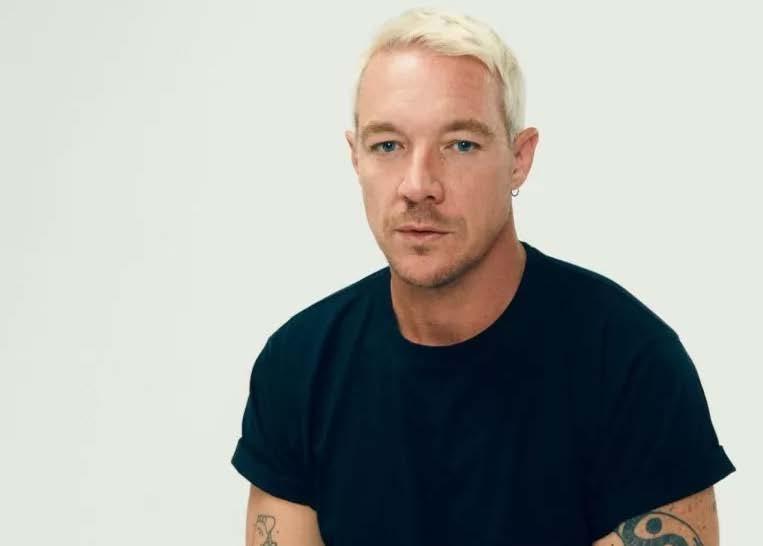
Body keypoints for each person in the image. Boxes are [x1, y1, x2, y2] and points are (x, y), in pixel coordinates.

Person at [230, 7, 735, 546]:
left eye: (461, 145)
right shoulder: (299, 366)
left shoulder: (630, 363)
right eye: (388, 145)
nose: (418, 185)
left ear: (519, 158)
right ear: (356, 158)